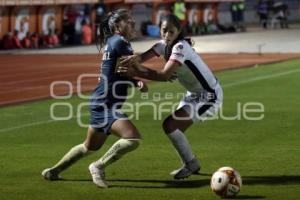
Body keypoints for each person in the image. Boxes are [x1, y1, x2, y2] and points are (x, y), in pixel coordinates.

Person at [41, 9, 148, 188]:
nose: (133, 23)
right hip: (107, 104)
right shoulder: (121, 42)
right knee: (132, 139)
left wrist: (135, 81)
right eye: (128, 21)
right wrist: (161, 55)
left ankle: (54, 171)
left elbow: (121, 71)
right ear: (116, 26)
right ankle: (98, 166)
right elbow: (135, 66)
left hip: (101, 101)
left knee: (89, 147)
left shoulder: (113, 42)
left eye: (132, 20)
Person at [118, 14, 223, 180]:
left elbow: (165, 75)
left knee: (170, 125)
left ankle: (191, 164)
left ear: (178, 31)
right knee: (173, 128)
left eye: (171, 32)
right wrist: (132, 60)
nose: (166, 35)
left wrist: (135, 71)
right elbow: (141, 58)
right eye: (164, 30)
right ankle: (191, 163)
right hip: (193, 94)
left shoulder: (180, 48)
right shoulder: (162, 45)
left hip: (208, 96)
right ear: (160, 29)